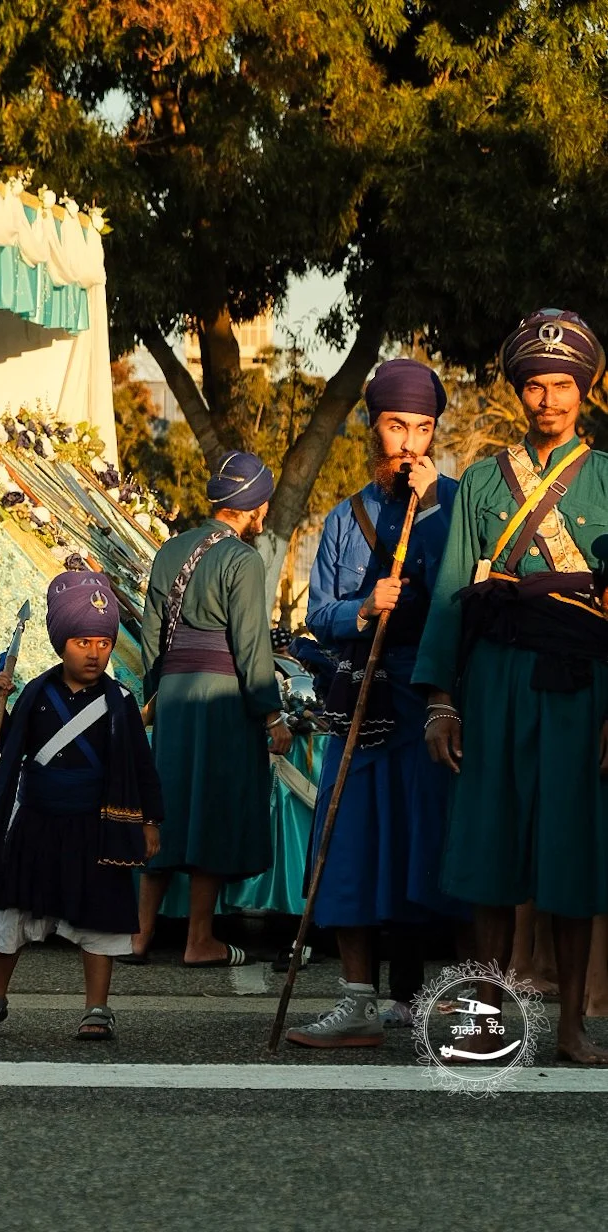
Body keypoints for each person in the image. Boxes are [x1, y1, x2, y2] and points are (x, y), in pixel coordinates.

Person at [413, 308, 608, 1065]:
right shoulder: (482, 481)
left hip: (578, 683)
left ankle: (569, 1029)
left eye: (562, 385)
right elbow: (449, 595)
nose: (548, 400)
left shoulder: (604, 477)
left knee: (571, 851)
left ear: (584, 391)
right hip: (493, 679)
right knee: (490, 851)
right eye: (534, 386)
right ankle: (486, 1021)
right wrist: (439, 698)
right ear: (518, 393)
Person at [286, 358, 463, 1048]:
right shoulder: (342, 518)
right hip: (359, 701)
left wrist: (440, 515)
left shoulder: (457, 505)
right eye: (396, 427)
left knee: (426, 850)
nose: (409, 443)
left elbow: (467, 596)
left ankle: (432, 999)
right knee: (347, 847)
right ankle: (356, 1001)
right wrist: (361, 610)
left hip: (427, 701)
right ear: (372, 428)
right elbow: (316, 612)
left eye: (422, 428)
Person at [0, 571, 164, 1041]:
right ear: (60, 643)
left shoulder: (120, 701)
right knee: (12, 912)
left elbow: (142, 767)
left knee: (100, 916)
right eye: (82, 641)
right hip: (36, 825)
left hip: (95, 828)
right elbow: (7, 745)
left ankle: (97, 1008)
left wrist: (150, 822)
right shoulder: (36, 694)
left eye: (103, 643)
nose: (94, 652)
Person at [130, 450, 292, 967]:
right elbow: (250, 645)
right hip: (221, 698)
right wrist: (271, 713)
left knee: (166, 804)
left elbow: (151, 633)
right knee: (212, 809)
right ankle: (199, 940)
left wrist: (162, 689)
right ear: (257, 507)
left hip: (174, 695)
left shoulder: (169, 550)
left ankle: (138, 933)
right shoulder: (243, 560)